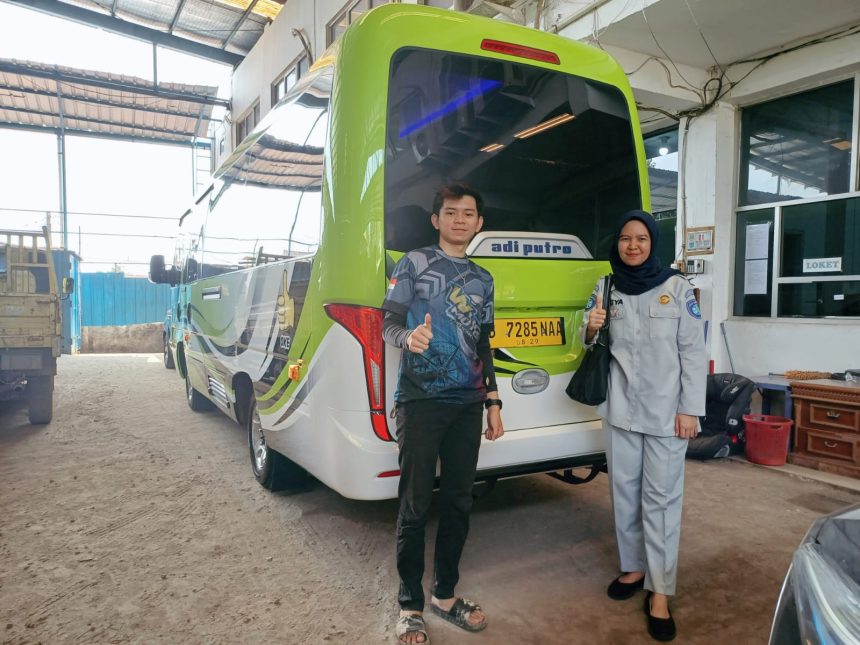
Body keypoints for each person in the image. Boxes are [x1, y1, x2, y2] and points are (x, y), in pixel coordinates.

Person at [382, 182, 504, 645]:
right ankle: (410, 604)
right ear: (436, 220)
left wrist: (493, 401)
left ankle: (445, 596)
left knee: (458, 501)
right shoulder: (413, 263)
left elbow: (483, 344)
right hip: (420, 400)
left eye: (468, 213)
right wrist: (407, 339)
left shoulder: (483, 279)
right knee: (415, 504)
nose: (459, 220)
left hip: (467, 404)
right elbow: (389, 322)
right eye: (450, 212)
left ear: (479, 223)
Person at [581, 209, 706, 642]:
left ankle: (660, 591)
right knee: (625, 496)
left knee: (661, 501)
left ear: (654, 243)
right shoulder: (606, 287)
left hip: (668, 414)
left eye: (641, 238)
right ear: (616, 244)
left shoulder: (677, 288)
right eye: (625, 238)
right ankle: (634, 568)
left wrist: (690, 409)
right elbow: (588, 340)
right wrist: (589, 328)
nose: (632, 246)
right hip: (620, 410)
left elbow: (693, 352)